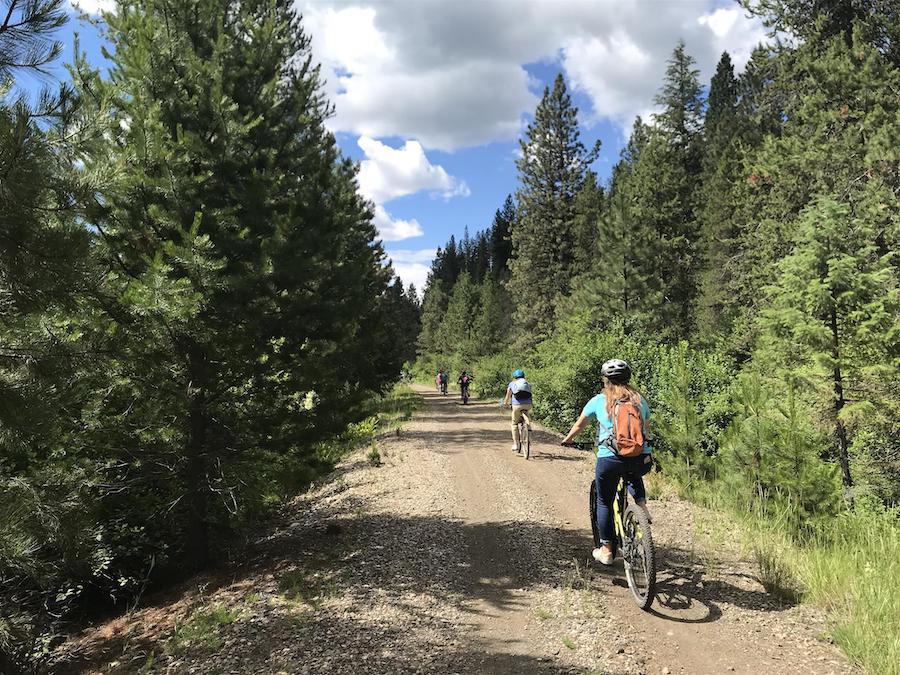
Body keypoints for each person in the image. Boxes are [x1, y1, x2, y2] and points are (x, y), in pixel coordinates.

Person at [560, 358, 653, 566]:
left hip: (610, 458)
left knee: (604, 502)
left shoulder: (598, 401)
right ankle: (641, 506)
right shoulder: (639, 400)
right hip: (641, 458)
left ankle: (607, 550)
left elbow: (578, 425)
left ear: (605, 380)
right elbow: (646, 428)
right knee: (633, 472)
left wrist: (567, 440)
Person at [503, 369, 533, 452]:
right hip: (528, 405)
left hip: (516, 406)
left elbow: (508, 396)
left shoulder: (512, 384)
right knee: (528, 418)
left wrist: (505, 404)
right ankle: (529, 434)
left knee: (514, 424)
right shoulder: (527, 384)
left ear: (514, 377)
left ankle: (516, 444)